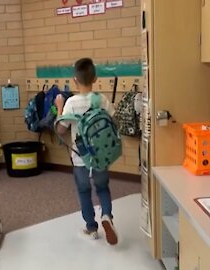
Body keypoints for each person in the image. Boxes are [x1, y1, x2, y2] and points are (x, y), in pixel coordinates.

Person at [54, 58, 118, 245]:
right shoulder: (101, 99)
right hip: (101, 156)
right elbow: (114, 122)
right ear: (95, 78)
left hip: (80, 157)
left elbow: (61, 130)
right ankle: (106, 216)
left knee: (84, 191)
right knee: (103, 188)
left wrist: (59, 107)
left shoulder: (71, 103)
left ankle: (91, 228)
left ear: (75, 80)